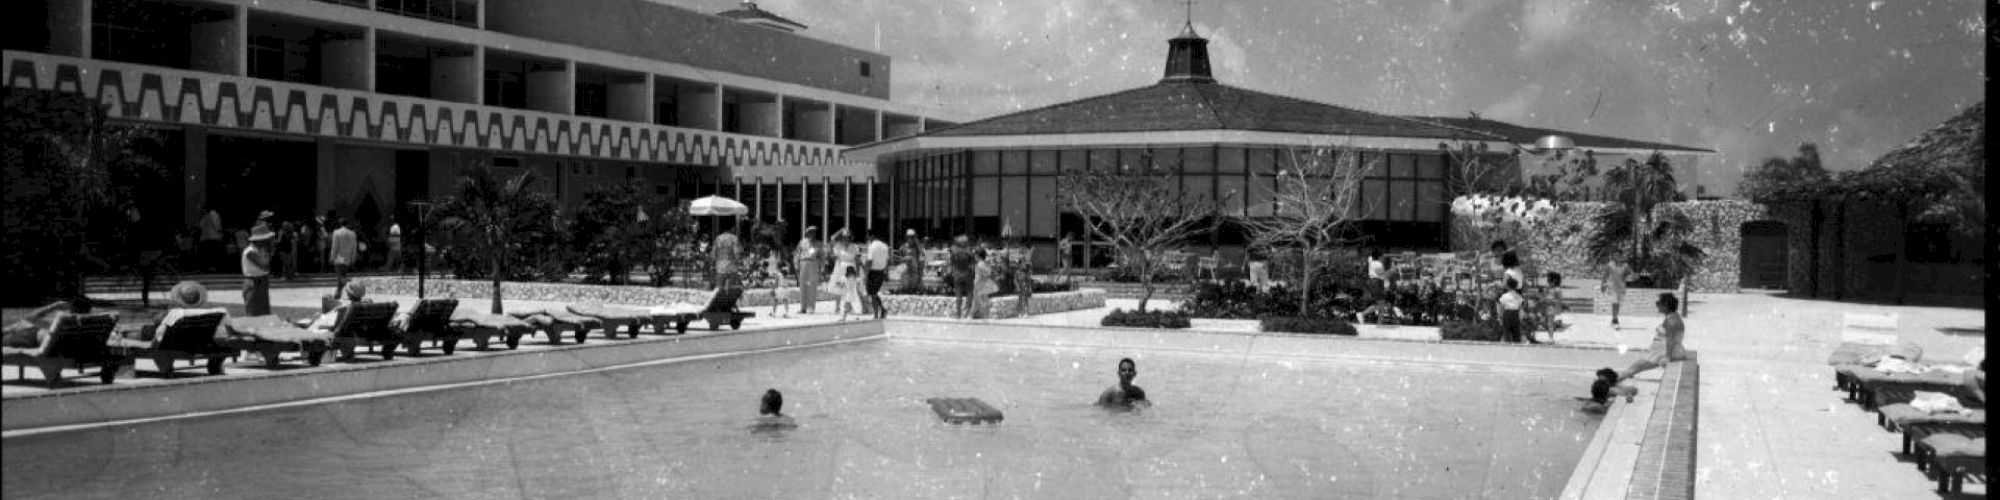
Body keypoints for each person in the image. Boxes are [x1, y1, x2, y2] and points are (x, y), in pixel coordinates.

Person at [1618, 294, 1689, 383]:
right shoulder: (1672, 317)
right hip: (1661, 352)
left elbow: (1670, 341)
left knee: (1632, 370)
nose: (1657, 305)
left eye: (1658, 303)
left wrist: (1667, 357)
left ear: (1666, 305)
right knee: (1632, 369)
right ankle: (1613, 384)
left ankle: (1608, 385)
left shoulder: (1671, 321)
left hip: (1661, 354)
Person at [128, 281, 228, 343]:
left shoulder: (176, 313)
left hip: (171, 342)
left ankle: (122, 335)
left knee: (145, 330)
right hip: (195, 340)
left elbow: (158, 325)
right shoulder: (211, 313)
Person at [1, 301, 79, 349]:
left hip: (34, 339)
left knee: (21, 324)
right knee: (21, 325)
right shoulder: (82, 325)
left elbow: (30, 317)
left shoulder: (65, 319)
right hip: (40, 337)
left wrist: (55, 306)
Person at [242, 225, 276, 316]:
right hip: (253, 282)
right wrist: (269, 252)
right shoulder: (250, 251)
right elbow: (264, 265)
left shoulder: (260, 250)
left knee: (264, 311)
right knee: (254, 310)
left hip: (262, 280)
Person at [795, 227, 823, 314]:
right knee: (802, 286)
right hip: (803, 263)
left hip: (813, 263)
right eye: (810, 232)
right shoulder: (802, 242)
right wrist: (796, 264)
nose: (812, 234)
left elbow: (822, 256)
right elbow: (797, 253)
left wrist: (821, 267)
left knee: (812, 285)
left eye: (814, 232)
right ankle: (803, 307)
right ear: (807, 233)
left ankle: (810, 307)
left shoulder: (819, 244)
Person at [948, 235, 977, 318]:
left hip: (957, 274)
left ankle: (958, 313)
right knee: (969, 292)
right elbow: (973, 263)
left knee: (958, 294)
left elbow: (952, 262)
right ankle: (967, 313)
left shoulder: (954, 251)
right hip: (967, 274)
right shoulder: (969, 251)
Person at [865, 231, 892, 319]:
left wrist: (866, 273)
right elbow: (888, 261)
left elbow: (869, 261)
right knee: (874, 293)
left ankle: (877, 313)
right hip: (881, 272)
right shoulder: (885, 246)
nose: (868, 239)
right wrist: (887, 273)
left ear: (872, 236)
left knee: (872, 293)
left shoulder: (872, 246)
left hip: (873, 272)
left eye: (868, 237)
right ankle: (881, 311)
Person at [1600, 253, 1631, 326]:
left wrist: (1630, 277)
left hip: (1621, 287)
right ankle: (1615, 319)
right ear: (1614, 257)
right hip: (1612, 287)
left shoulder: (1625, 266)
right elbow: (1605, 275)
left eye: (1619, 255)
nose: (1618, 257)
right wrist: (1603, 285)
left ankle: (1615, 318)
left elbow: (1629, 275)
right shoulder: (1609, 265)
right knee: (1615, 302)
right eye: (1616, 255)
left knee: (1618, 304)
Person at [329, 218, 358, 295]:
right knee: (343, 275)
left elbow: (335, 247)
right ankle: (338, 293)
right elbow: (354, 247)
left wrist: (332, 257)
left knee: (340, 276)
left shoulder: (336, 233)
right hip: (347, 258)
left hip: (339, 257)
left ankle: (350, 288)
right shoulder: (352, 234)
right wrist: (353, 258)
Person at [970, 246, 996, 319]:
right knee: (984, 300)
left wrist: (975, 285)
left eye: (975, 255)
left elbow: (977, 277)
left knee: (976, 301)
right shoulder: (987, 264)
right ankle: (985, 316)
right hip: (986, 285)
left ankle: (971, 317)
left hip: (979, 285)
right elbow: (989, 273)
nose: (974, 256)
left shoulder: (978, 265)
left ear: (978, 256)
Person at [898, 229, 926, 294]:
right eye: (909, 237)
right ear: (906, 238)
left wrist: (918, 244)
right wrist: (906, 258)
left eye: (912, 237)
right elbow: (900, 258)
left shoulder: (918, 247)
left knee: (915, 276)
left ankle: (914, 288)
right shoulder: (904, 247)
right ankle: (907, 289)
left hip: (915, 267)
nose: (911, 239)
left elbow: (922, 256)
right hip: (906, 267)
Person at [199, 207, 224, 272]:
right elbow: (217, 225)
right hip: (212, 237)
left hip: (208, 237)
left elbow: (201, 226)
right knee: (213, 253)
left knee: (210, 253)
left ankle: (211, 267)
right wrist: (219, 231)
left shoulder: (209, 215)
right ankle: (213, 267)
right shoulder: (211, 215)